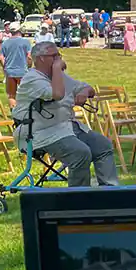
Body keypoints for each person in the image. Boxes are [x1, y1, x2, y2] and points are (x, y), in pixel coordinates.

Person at [12, 42, 120, 188]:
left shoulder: (59, 76)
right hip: (40, 132)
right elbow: (57, 94)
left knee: (103, 146)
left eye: (59, 56)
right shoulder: (32, 79)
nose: (59, 59)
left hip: (67, 127)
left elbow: (88, 88)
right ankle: (77, 201)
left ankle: (109, 191)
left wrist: (83, 92)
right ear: (41, 58)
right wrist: (57, 68)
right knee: (80, 153)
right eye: (54, 56)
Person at [0, 23, 31, 104]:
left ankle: (14, 113)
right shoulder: (25, 42)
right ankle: (24, 112)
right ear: (19, 30)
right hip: (22, 71)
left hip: (10, 71)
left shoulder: (5, 43)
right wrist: (29, 66)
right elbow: (29, 57)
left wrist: (5, 67)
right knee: (25, 94)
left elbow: (0, 57)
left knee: (11, 95)